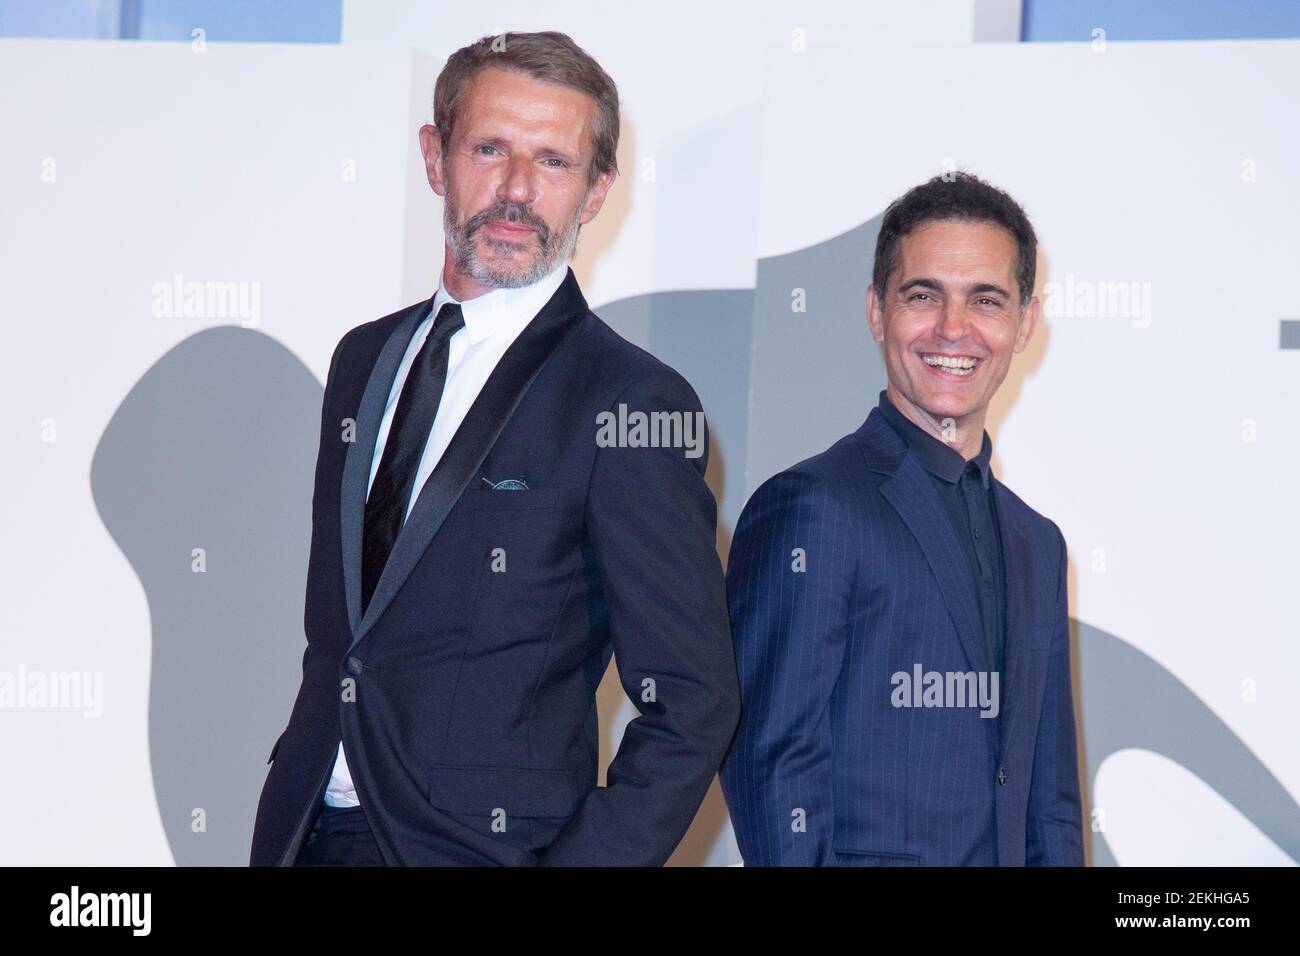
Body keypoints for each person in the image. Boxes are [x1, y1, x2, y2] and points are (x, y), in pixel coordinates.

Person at [251, 30, 739, 867]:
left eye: (554, 162)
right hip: (303, 834)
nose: (517, 191)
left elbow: (691, 700)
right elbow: (349, 641)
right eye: (490, 149)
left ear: (597, 190)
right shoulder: (361, 361)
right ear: (435, 158)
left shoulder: (630, 401)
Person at [720, 172, 1084, 866]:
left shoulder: (1039, 543)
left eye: (986, 300)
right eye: (923, 296)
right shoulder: (811, 509)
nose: (954, 329)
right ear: (877, 312)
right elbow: (770, 765)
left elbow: (1051, 801)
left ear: (1024, 323)